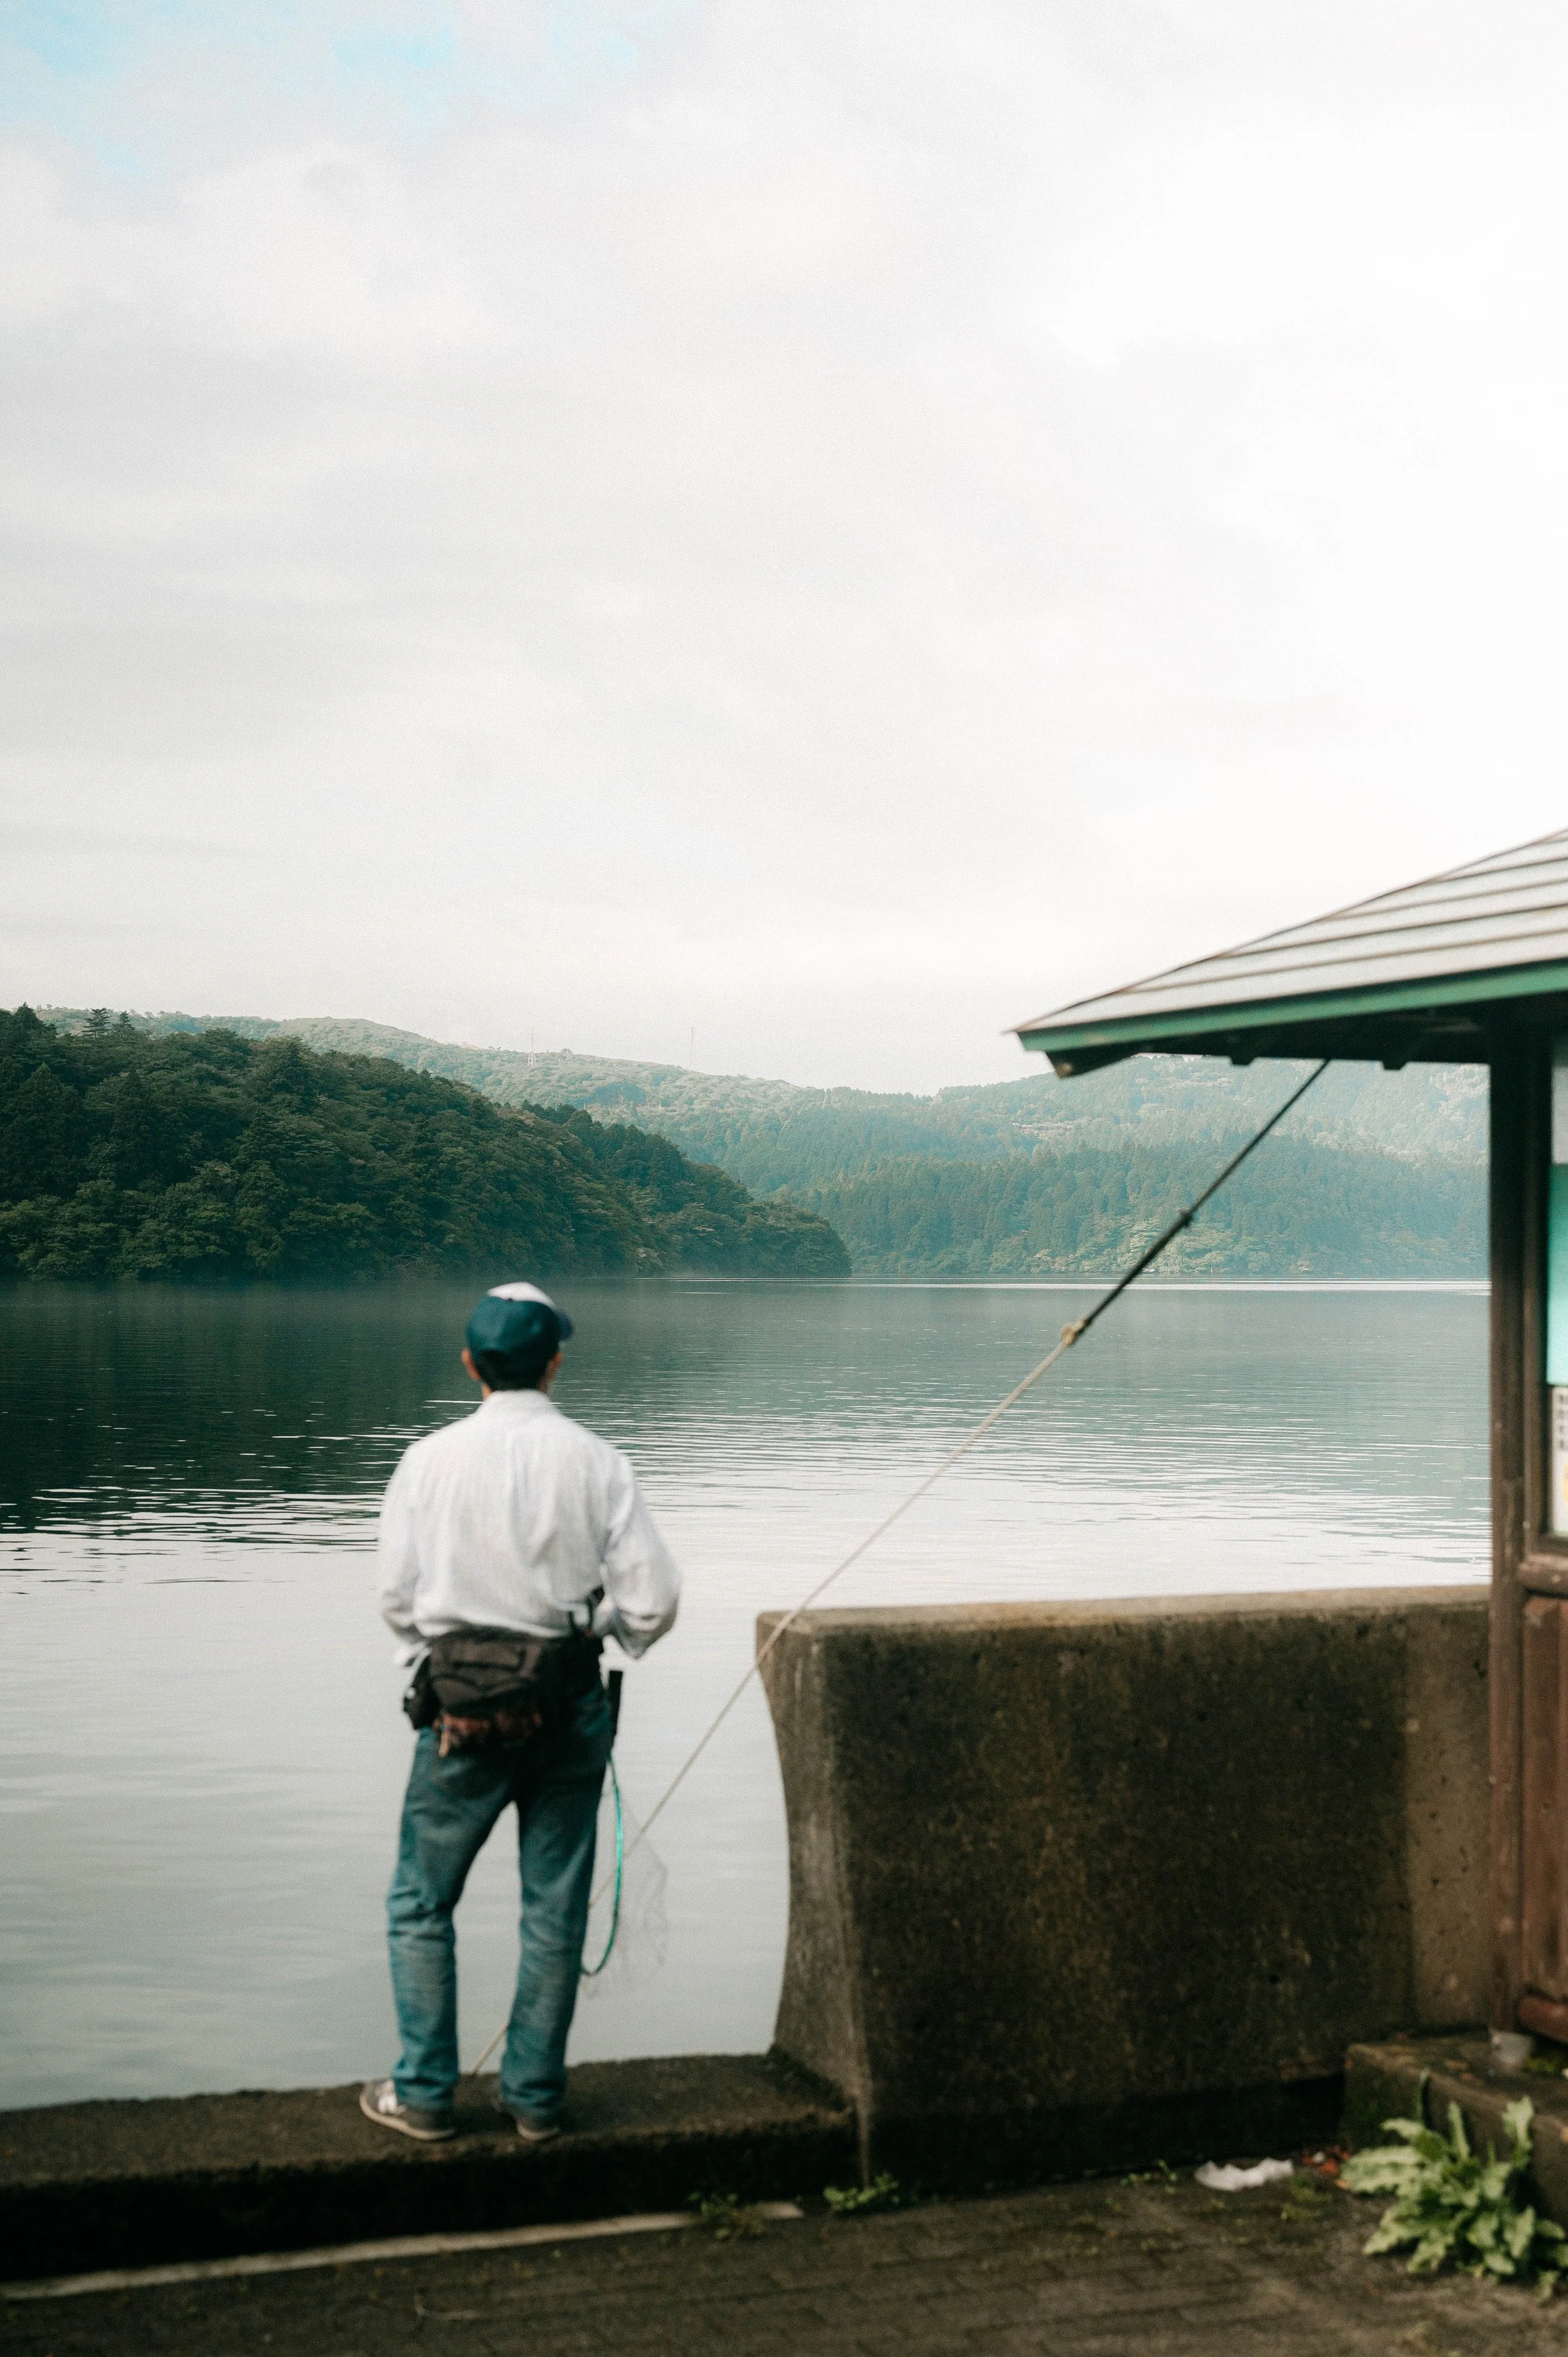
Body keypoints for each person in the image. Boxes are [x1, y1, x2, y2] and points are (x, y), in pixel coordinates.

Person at [361, 1281, 680, 2144]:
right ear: (554, 1365)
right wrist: (595, 1629)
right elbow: (651, 1605)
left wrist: (443, 1657)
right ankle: (534, 2099)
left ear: (471, 1364)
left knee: (421, 1903)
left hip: (460, 1715)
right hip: (569, 1706)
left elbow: (395, 1600)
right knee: (554, 1907)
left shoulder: (426, 1461)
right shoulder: (598, 1462)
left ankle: (425, 2096)